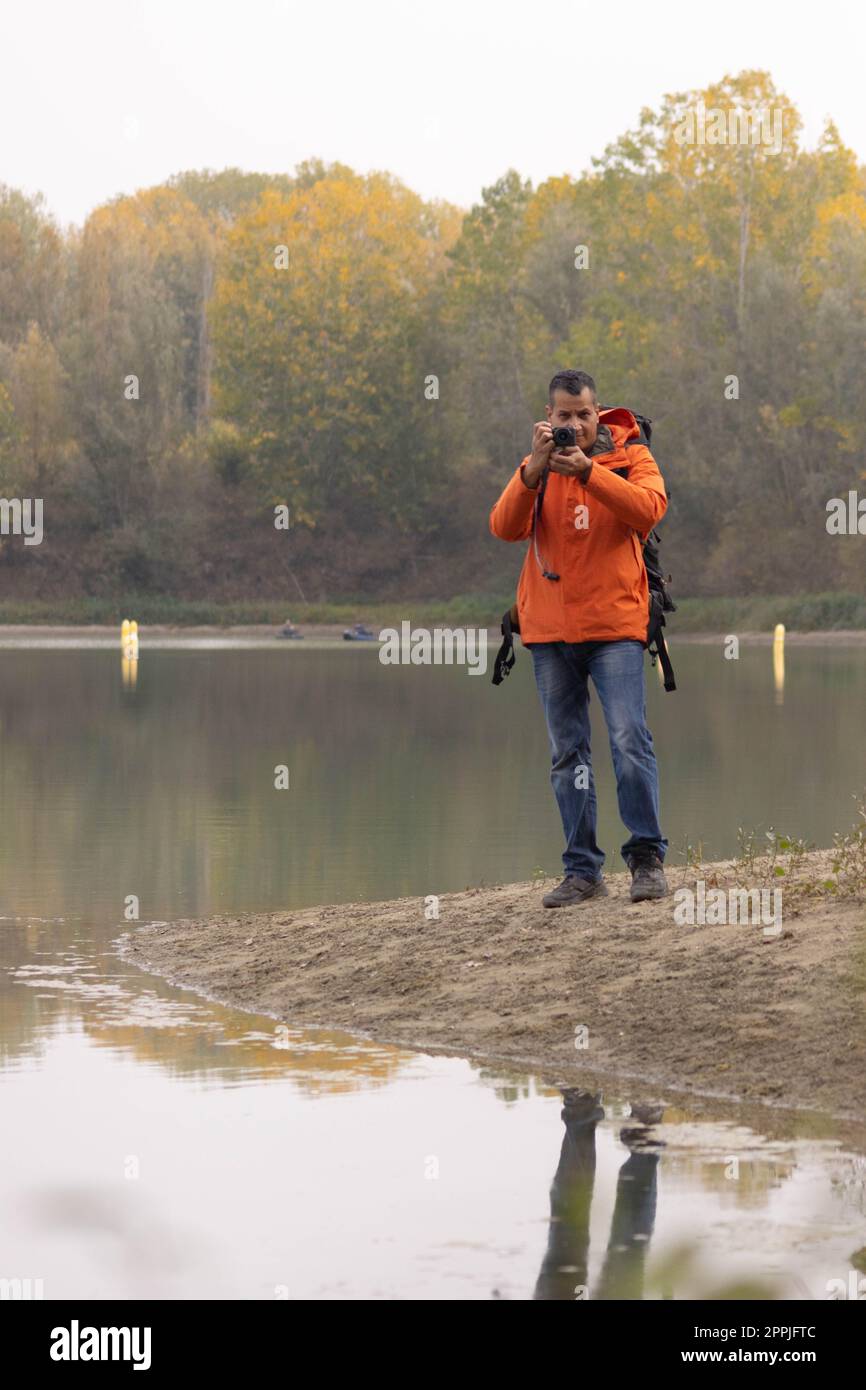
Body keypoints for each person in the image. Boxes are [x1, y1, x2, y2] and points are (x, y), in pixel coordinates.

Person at [489, 368, 669, 905]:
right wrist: (532, 470)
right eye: (563, 416)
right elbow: (504, 526)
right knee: (569, 754)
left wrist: (591, 472)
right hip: (549, 632)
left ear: (598, 412)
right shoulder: (537, 468)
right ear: (548, 418)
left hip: (615, 626)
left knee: (628, 740)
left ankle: (645, 859)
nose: (574, 425)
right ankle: (582, 871)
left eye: (583, 415)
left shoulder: (631, 457)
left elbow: (649, 511)